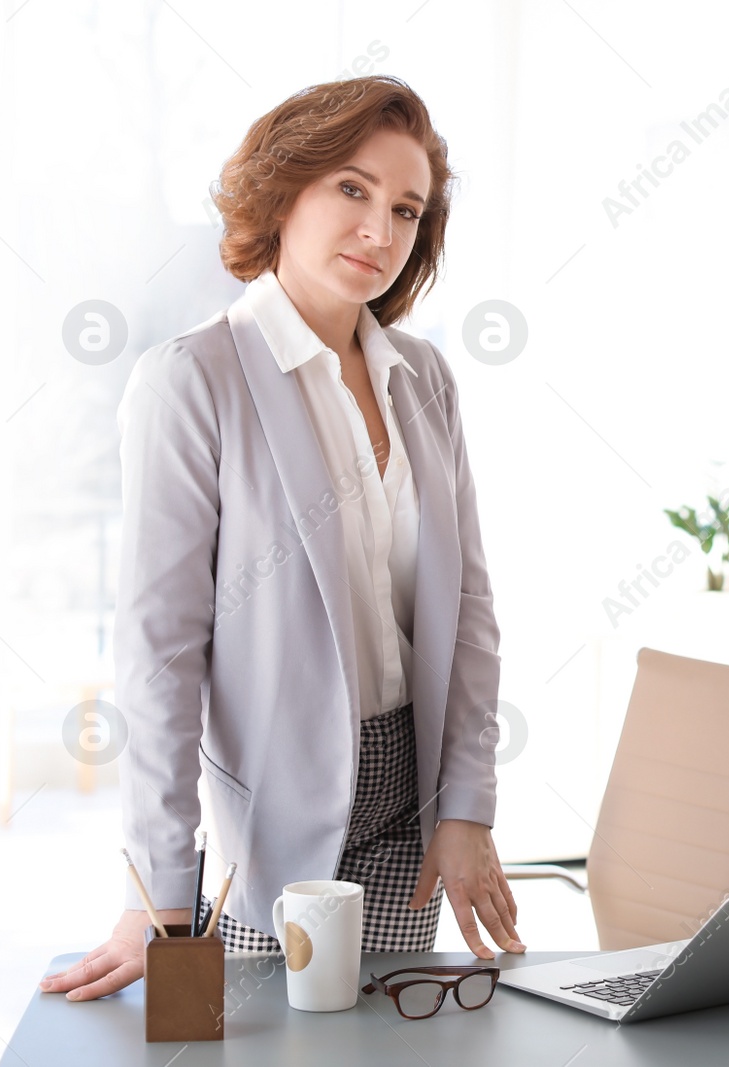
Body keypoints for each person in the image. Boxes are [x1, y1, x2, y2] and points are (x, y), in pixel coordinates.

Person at [41, 75, 524, 1001]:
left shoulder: (424, 378)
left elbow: (469, 613)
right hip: (270, 815)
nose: (379, 232)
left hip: (409, 800)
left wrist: (467, 805)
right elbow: (161, 652)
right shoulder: (192, 381)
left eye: (406, 208)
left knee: (395, 1047)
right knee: (285, 1045)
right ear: (285, 187)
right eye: (351, 189)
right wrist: (158, 888)